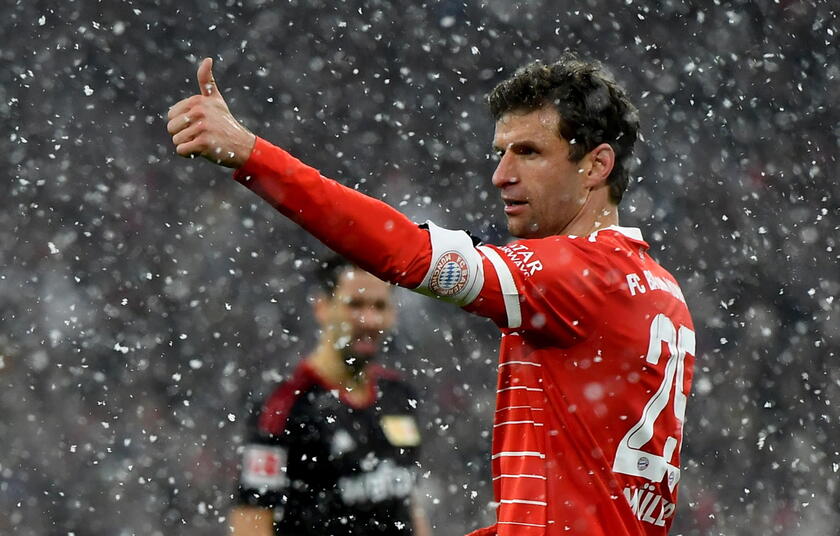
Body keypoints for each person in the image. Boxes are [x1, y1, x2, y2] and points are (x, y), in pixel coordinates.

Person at [168, 52, 695, 536]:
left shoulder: (572, 275)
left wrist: (250, 154)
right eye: (500, 152)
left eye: (529, 152)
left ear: (596, 166)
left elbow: (408, 255)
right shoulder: (663, 290)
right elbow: (591, 503)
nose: (500, 175)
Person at [228, 258, 432, 536]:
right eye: (355, 305)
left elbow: (408, 501)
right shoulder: (285, 406)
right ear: (322, 307)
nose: (369, 320)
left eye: (380, 306)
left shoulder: (399, 395)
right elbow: (251, 522)